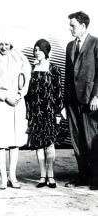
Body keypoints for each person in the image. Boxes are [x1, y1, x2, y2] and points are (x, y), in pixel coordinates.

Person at [0, 35, 31, 189]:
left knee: (15, 140)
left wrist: (19, 95)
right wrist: (5, 97)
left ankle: (12, 175)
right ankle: (3, 178)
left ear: (11, 45)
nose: (3, 47)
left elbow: (26, 78)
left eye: (7, 44)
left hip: (16, 103)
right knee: (1, 141)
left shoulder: (19, 60)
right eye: (1, 44)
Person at [64, 11, 98, 190]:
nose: (70, 28)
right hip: (72, 101)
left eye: (73, 25)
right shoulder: (70, 46)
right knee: (77, 139)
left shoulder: (95, 43)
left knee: (91, 139)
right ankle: (82, 175)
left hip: (89, 99)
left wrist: (96, 96)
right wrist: (64, 102)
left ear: (83, 26)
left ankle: (95, 178)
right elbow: (68, 76)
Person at [26, 39, 63, 188]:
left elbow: (58, 92)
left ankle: (51, 175)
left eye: (39, 50)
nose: (36, 52)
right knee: (39, 145)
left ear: (46, 51)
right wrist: (28, 111)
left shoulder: (54, 68)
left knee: (50, 145)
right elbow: (28, 93)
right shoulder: (31, 68)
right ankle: (42, 176)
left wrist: (58, 113)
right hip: (36, 112)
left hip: (49, 111)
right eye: (35, 50)